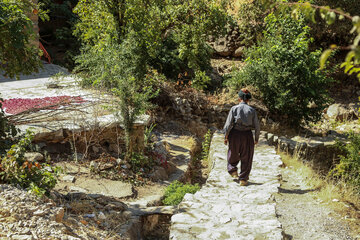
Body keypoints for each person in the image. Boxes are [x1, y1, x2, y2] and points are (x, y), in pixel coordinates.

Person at [223, 88, 260, 186]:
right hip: (247, 135)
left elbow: (228, 124)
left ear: (239, 98)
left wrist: (226, 136)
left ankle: (233, 170)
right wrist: (256, 138)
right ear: (248, 99)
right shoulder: (252, 110)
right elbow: (257, 126)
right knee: (247, 156)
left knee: (233, 152)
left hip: (235, 133)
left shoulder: (234, 109)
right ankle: (243, 179)